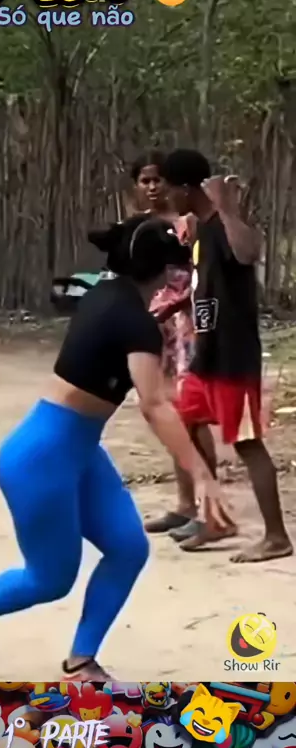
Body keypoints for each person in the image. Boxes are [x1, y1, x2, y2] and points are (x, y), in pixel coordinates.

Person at [0, 214, 233, 679]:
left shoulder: (107, 295)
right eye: (177, 267)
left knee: (128, 547)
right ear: (164, 272)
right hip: (41, 458)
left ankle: (81, 661)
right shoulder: (135, 322)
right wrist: (203, 477)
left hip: (79, 451)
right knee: (50, 578)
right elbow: (154, 404)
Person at [160, 148, 293, 562]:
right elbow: (207, 286)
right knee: (186, 423)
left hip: (233, 355)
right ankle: (214, 517)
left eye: (169, 188)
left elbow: (249, 253)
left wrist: (228, 207)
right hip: (206, 353)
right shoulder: (201, 229)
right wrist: (177, 304)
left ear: (186, 188)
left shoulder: (223, 224)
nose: (166, 196)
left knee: (247, 443)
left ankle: (276, 537)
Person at [128, 152, 222, 545]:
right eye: (145, 180)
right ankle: (186, 503)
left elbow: (200, 278)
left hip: (186, 325)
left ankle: (210, 507)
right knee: (167, 413)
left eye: (158, 180)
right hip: (154, 327)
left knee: (191, 415)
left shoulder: (189, 223)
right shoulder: (138, 226)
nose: (153, 187)